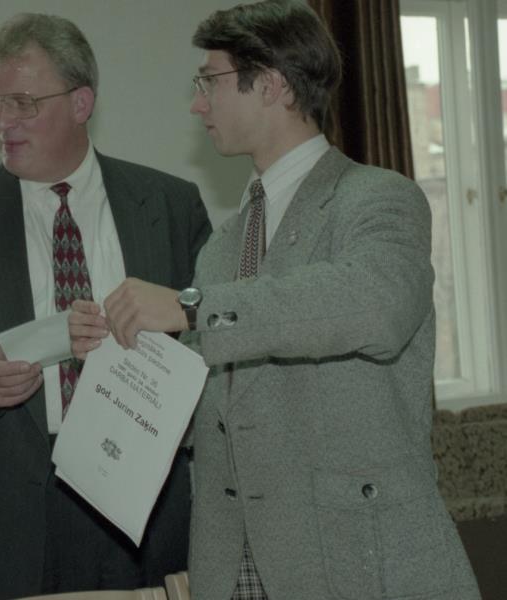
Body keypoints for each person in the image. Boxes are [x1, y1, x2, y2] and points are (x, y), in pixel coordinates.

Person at [69, 1, 480, 599]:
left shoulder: (378, 199)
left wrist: (191, 307)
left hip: (357, 565)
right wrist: (124, 361)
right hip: (232, 567)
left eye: (208, 82)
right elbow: (214, 417)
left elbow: (377, 308)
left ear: (272, 84)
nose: (196, 105)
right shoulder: (222, 249)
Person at [0, 13, 211, 600]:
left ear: (81, 103)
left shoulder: (170, 204)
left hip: (146, 501)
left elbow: (214, 331)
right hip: (9, 510)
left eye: (22, 103)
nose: (1, 122)